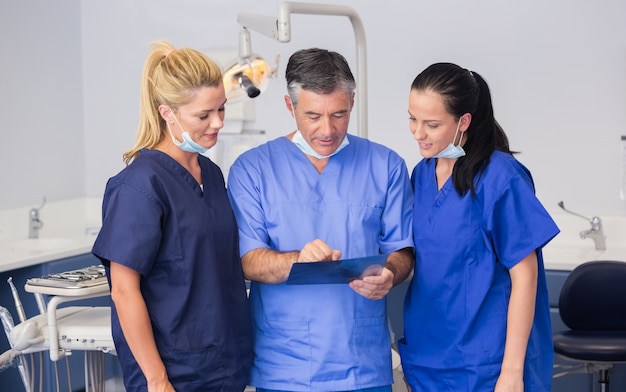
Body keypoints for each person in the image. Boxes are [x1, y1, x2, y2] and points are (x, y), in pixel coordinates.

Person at [227, 47, 414, 392]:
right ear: (290, 106)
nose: (327, 129)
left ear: (352, 103)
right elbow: (248, 261)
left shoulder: (386, 166)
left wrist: (391, 273)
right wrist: (299, 260)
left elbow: (403, 252)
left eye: (339, 114)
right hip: (284, 366)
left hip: (363, 365)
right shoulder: (252, 170)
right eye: (313, 116)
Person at [91, 40, 253, 392]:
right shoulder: (139, 185)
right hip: (174, 373)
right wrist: (156, 378)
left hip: (225, 362)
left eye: (221, 109)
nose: (218, 123)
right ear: (168, 113)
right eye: (204, 115)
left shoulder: (211, 174)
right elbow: (123, 291)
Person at [399, 62, 559, 391]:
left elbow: (525, 275)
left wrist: (512, 373)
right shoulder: (421, 175)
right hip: (429, 357)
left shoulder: (500, 177)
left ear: (463, 121)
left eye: (431, 124)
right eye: (412, 119)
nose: (418, 133)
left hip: (485, 364)